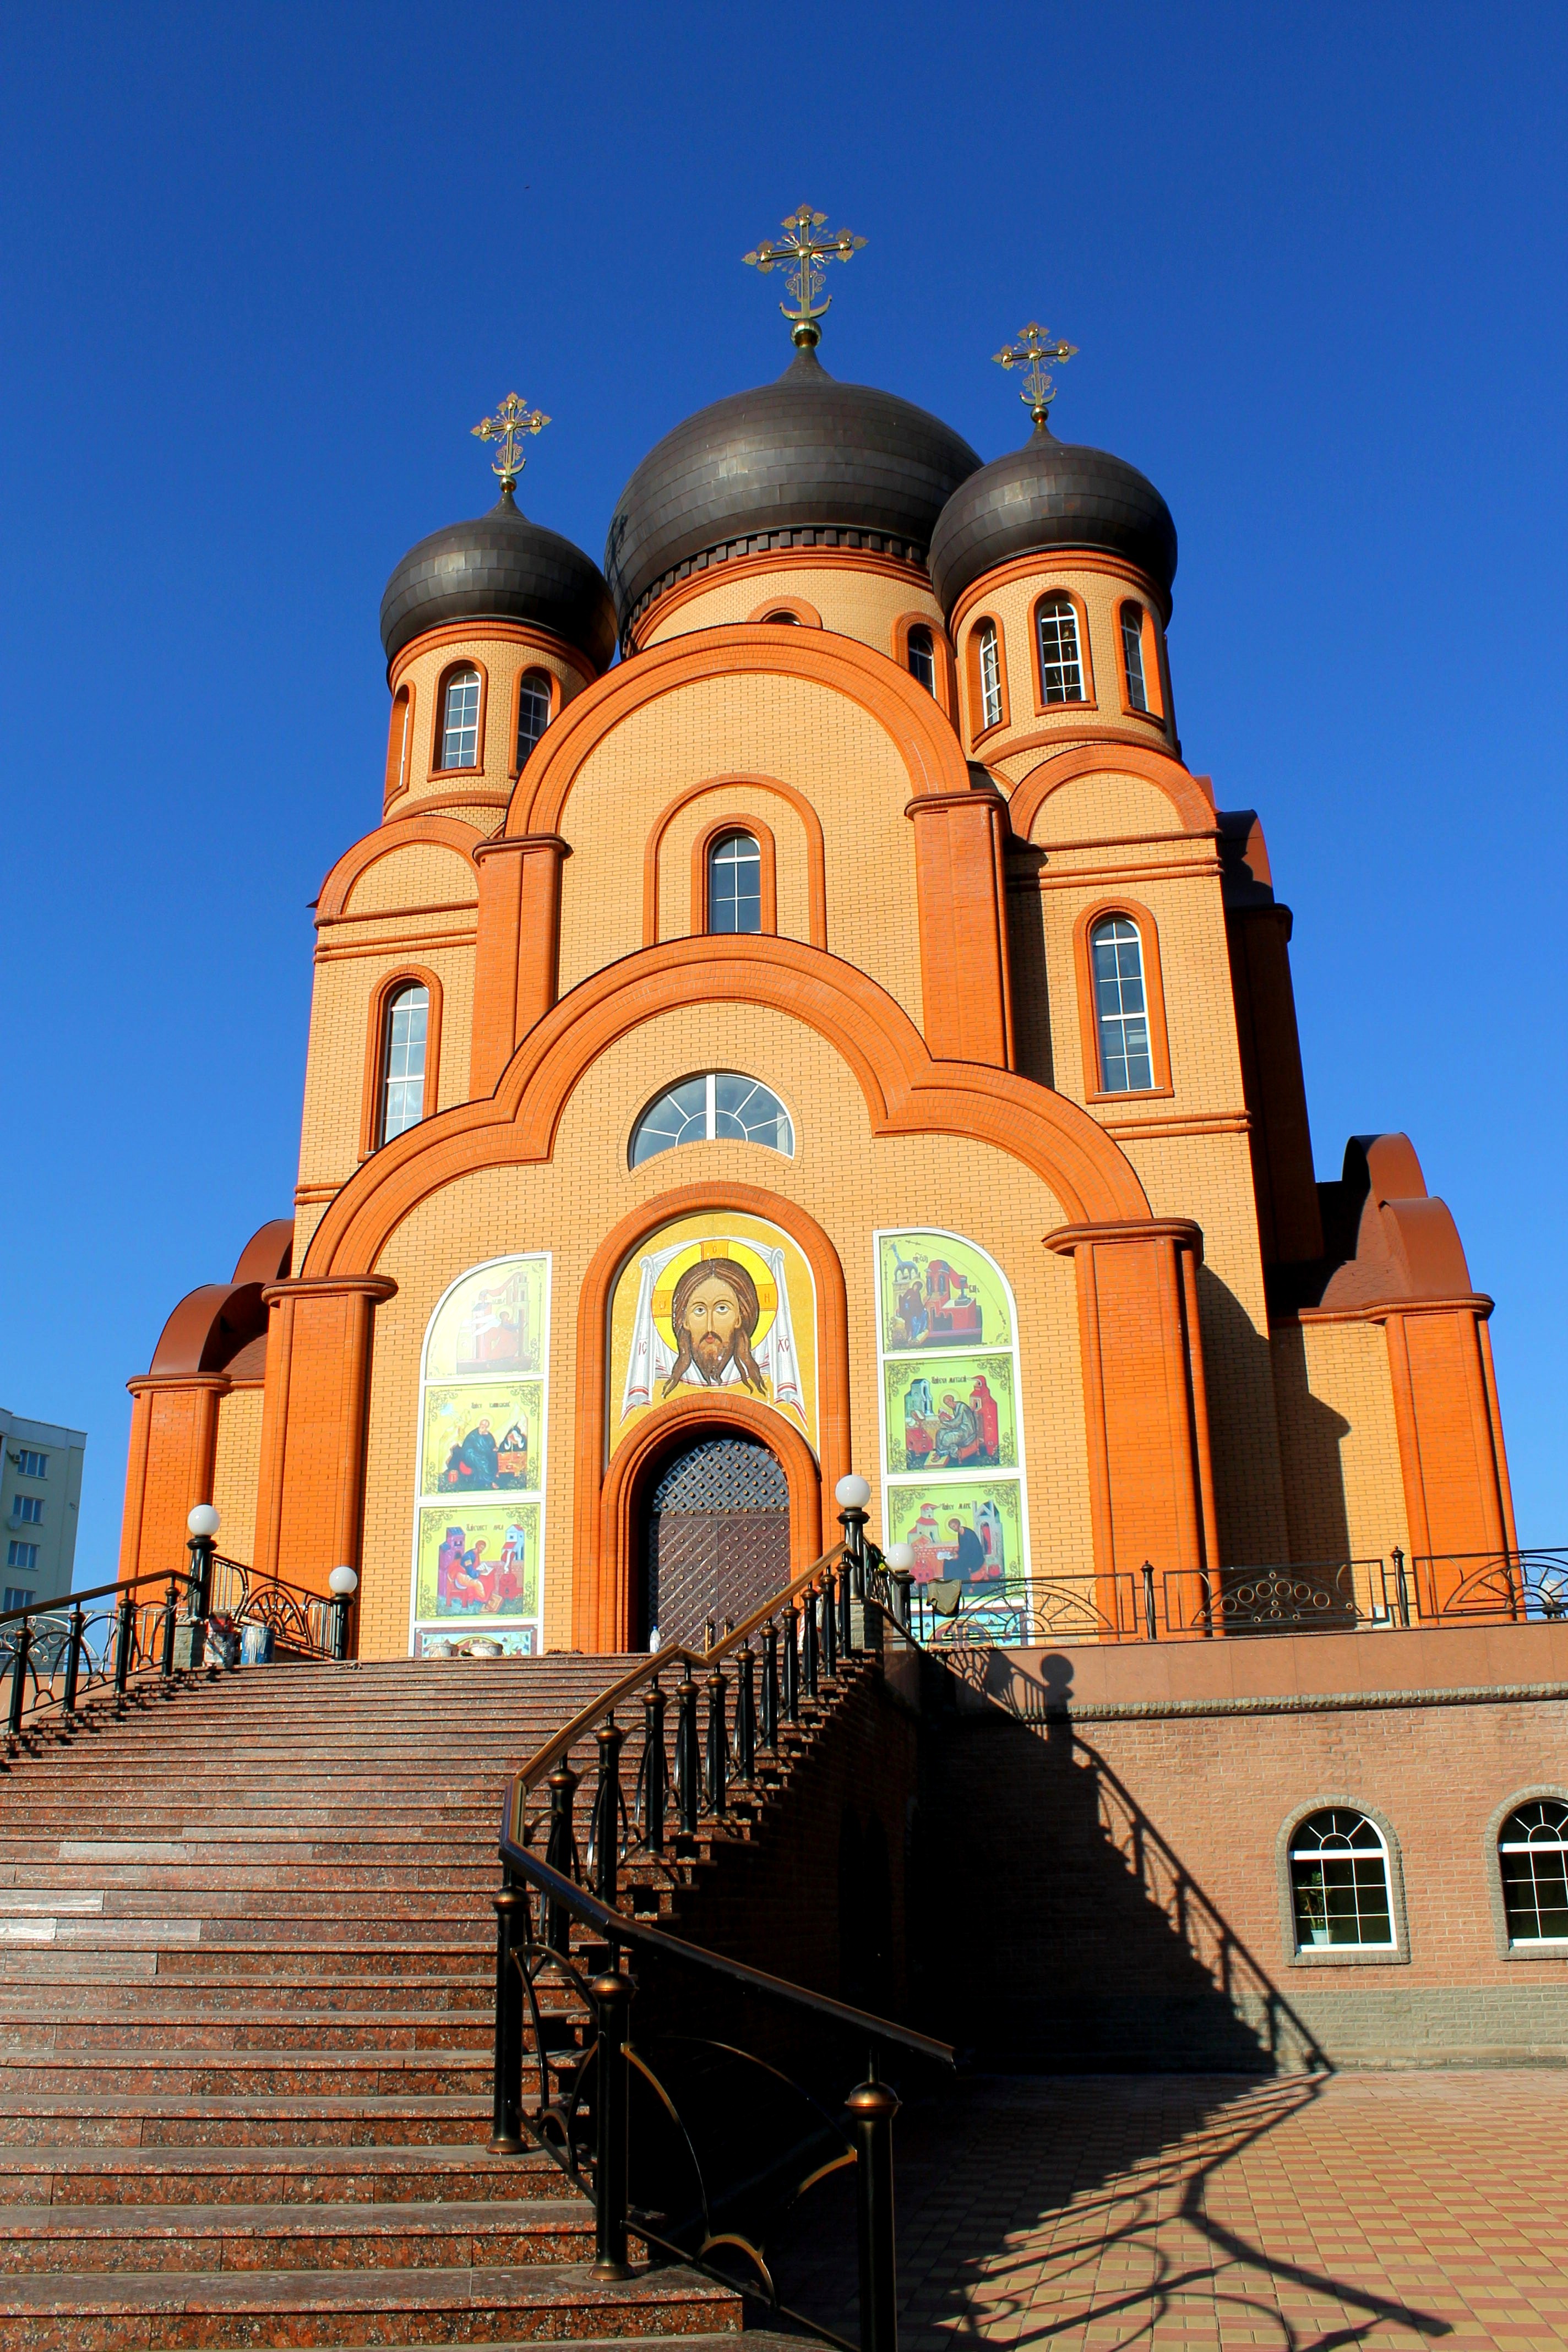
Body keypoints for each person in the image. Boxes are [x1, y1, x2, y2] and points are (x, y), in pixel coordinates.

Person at [661, 1258, 768, 1397]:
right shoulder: (660, 1381)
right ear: (685, 1321)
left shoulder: (770, 1379)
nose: (710, 1327)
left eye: (722, 1309)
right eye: (700, 1310)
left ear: (739, 1318)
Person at [934, 1393, 981, 1464]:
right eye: (946, 1404)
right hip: (960, 1429)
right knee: (940, 1432)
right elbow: (956, 1423)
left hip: (967, 1432)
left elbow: (956, 1423)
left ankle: (942, 1455)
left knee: (947, 1437)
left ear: (952, 1400)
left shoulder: (962, 1407)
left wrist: (944, 1422)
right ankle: (939, 1453)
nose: (948, 1405)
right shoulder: (955, 1408)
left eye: (948, 1402)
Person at [948, 1516, 989, 1582]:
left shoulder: (968, 1533)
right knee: (950, 1562)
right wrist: (957, 1552)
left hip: (975, 1555)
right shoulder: (960, 1533)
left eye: (954, 1526)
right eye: (952, 1528)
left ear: (958, 1524)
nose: (954, 1529)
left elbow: (970, 1548)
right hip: (967, 1554)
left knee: (958, 1563)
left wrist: (959, 1555)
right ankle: (953, 1581)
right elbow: (962, 1547)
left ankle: (965, 1581)